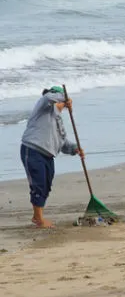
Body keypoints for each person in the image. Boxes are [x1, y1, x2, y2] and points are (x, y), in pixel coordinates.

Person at [20, 86, 84, 228]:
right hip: (32, 150)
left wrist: (75, 149)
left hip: (48, 155)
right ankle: (39, 219)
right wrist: (65, 99)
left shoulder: (58, 120)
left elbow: (62, 142)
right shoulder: (43, 107)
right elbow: (49, 97)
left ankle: (38, 216)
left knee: (46, 185)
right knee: (38, 184)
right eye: (59, 97)